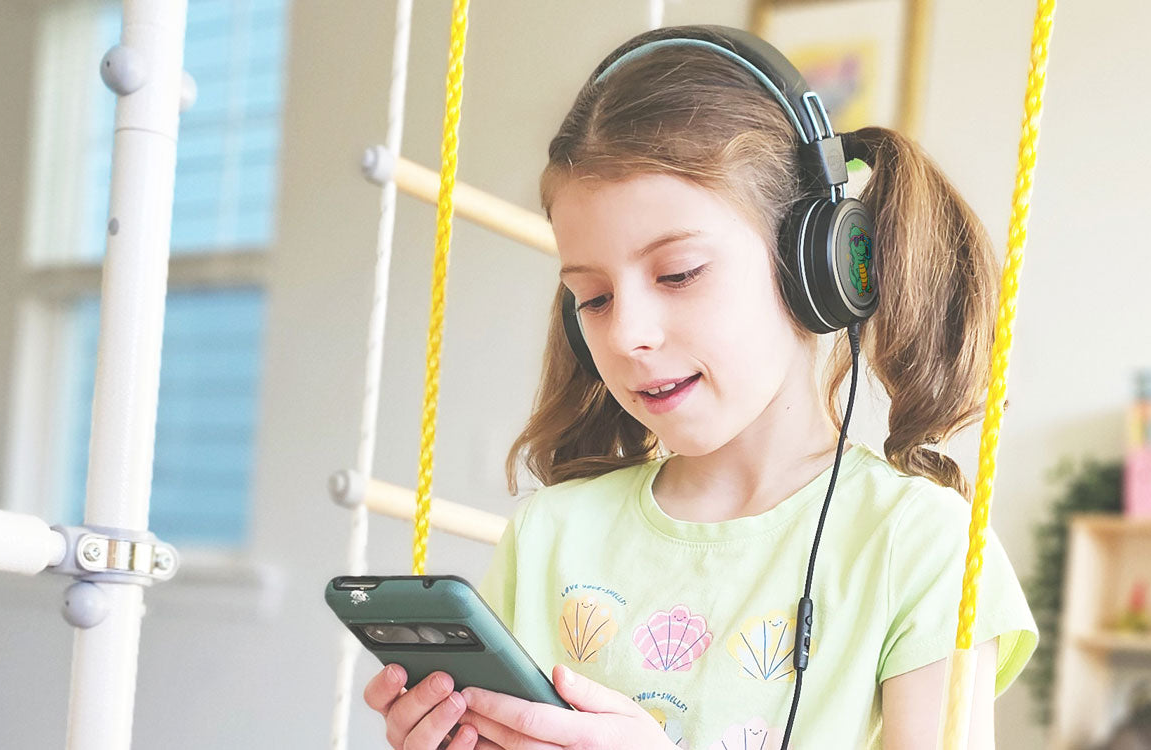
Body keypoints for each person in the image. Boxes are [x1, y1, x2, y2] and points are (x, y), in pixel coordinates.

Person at [363, 25, 1036, 750]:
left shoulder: (918, 546)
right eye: (592, 298)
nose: (626, 335)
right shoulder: (551, 533)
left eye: (677, 274)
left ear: (812, 264)